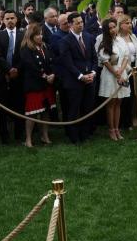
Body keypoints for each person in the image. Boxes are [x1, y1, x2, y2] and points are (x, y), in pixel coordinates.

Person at [55, 14, 97, 144]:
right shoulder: (64, 41)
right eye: (77, 23)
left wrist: (93, 73)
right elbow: (68, 63)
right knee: (74, 109)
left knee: (87, 108)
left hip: (90, 80)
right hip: (74, 82)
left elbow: (94, 59)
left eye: (81, 22)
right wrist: (80, 76)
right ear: (70, 25)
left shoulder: (89, 38)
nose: (81, 24)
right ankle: (74, 137)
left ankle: (85, 134)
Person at [18, 23, 56, 147]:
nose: (40, 37)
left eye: (41, 34)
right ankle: (28, 139)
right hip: (34, 85)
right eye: (37, 35)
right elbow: (30, 66)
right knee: (32, 113)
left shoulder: (45, 47)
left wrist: (53, 74)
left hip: (47, 85)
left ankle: (45, 136)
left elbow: (52, 62)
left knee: (46, 111)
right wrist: (45, 76)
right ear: (31, 35)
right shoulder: (26, 49)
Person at [0, 9, 24, 143]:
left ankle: (19, 134)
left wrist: (16, 69)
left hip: (19, 76)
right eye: (7, 19)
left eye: (12, 18)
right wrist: (8, 70)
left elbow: (25, 54)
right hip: (3, 76)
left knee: (19, 106)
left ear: (16, 19)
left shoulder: (23, 35)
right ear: (3, 21)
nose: (10, 21)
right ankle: (4, 135)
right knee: (3, 106)